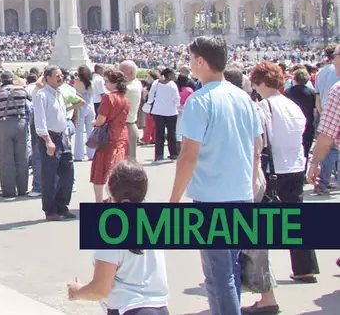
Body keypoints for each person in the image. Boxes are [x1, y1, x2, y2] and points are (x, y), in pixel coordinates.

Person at [171, 36, 261, 315]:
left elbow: (188, 156)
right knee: (230, 271)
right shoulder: (243, 97)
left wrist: (173, 199)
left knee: (218, 277)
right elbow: (257, 145)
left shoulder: (200, 101)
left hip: (212, 198)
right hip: (241, 193)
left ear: (200, 61)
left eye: (191, 59)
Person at [244, 61, 318, 313]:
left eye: (255, 83)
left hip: (274, 171)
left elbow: (261, 142)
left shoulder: (263, 107)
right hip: (296, 166)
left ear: (262, 83)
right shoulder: (293, 106)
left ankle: (262, 283)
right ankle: (305, 267)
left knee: (259, 231)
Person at [68, 159, 169, 315]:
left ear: (110, 188)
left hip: (129, 309)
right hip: (160, 308)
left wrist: (78, 291)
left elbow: (100, 289)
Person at [35, 66, 76, 220]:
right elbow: (40, 120)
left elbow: (62, 116)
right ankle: (50, 210)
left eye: (61, 75)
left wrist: (65, 135)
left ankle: (62, 205)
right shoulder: (42, 95)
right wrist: (47, 141)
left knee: (68, 173)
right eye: (57, 75)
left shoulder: (60, 93)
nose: (60, 78)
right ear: (47, 78)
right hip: (49, 137)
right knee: (49, 176)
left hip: (62, 136)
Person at [0, 71, 30, 198]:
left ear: (1, 81)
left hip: (3, 126)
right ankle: (22, 188)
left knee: (6, 159)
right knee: (22, 157)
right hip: (20, 123)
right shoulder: (22, 92)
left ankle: (8, 190)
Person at [89, 69, 129, 202]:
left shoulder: (108, 97)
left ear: (114, 83)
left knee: (100, 170)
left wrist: (94, 123)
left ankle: (99, 201)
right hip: (121, 135)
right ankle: (114, 198)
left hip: (108, 137)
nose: (105, 84)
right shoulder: (125, 98)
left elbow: (101, 120)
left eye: (107, 81)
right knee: (117, 170)